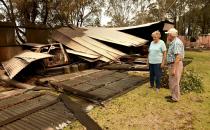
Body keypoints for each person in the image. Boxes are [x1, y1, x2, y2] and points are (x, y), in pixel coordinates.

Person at [165, 28, 184, 102]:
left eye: (168, 35)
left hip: (175, 64)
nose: (167, 36)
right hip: (172, 64)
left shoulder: (176, 43)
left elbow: (178, 57)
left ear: (171, 35)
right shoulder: (173, 42)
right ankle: (173, 95)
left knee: (175, 81)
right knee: (172, 81)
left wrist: (174, 69)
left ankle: (175, 98)